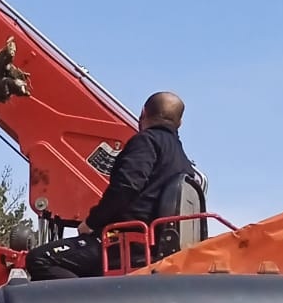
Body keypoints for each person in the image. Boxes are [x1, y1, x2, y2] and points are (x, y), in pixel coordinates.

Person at [25, 91, 194, 281]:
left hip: (127, 246)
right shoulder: (184, 163)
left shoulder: (146, 142)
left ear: (143, 113)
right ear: (179, 123)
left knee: (40, 259)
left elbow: (126, 187)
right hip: (153, 245)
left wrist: (92, 222)